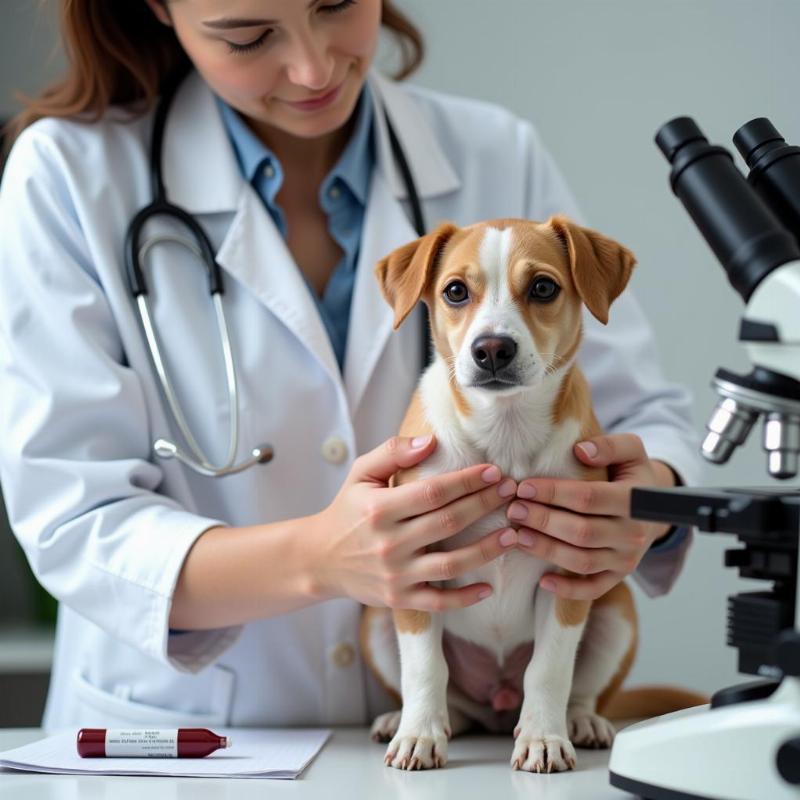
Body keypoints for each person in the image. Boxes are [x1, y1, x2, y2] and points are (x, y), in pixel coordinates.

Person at [0, 0, 703, 730]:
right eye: (248, 35)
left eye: (334, 4)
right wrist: (319, 559)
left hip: (451, 748)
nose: (312, 67)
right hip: (185, 730)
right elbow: (72, 517)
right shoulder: (68, 174)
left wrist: (646, 506)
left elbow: (643, 417)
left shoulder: (494, 150)